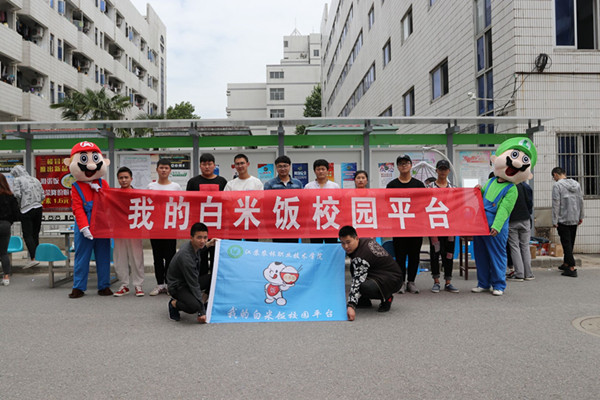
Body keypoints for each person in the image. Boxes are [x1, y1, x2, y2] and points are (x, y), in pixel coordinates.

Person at [472, 138, 537, 296]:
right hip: (480, 224)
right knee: (481, 255)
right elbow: (483, 196)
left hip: (495, 226)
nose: (516, 163)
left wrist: (497, 225)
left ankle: (499, 285)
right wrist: (479, 189)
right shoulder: (491, 181)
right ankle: (483, 283)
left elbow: (505, 209)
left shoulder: (511, 188)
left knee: (497, 255)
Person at [339, 225, 403, 321]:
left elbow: (357, 281)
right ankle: (365, 300)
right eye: (343, 243)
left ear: (356, 238)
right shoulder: (364, 242)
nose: (346, 246)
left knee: (362, 285)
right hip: (383, 274)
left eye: (348, 242)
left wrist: (351, 306)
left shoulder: (361, 255)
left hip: (393, 280)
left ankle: (387, 298)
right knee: (354, 267)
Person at [386, 154, 425, 294]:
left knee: (414, 255)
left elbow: (424, 205)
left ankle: (411, 282)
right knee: (400, 256)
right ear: (397, 167)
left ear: (411, 165)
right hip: (398, 226)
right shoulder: (391, 186)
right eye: (401, 163)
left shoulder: (419, 185)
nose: (404, 166)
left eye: (406, 163)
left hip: (416, 227)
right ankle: (401, 282)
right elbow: (386, 205)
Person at [166, 222, 216, 323]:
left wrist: (209, 244)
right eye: (199, 238)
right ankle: (174, 304)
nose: (202, 241)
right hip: (177, 286)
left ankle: (202, 301)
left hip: (188, 281)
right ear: (191, 238)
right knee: (194, 307)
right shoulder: (186, 257)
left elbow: (200, 249)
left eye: (205, 237)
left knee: (214, 277)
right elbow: (194, 285)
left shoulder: (193, 246)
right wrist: (202, 312)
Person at [147, 159, 182, 296]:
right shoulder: (151, 186)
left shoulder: (176, 187)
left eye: (166, 168)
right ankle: (159, 284)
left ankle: (169, 284)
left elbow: (180, 205)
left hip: (170, 226)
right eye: (161, 167)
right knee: (157, 257)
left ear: (170, 170)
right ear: (157, 169)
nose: (163, 170)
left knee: (170, 256)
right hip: (155, 226)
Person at [426, 160, 458, 293]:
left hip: (450, 226)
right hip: (434, 225)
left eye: (445, 169)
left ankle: (448, 281)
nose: (443, 171)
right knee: (435, 253)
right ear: (436, 170)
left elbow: (458, 206)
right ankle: (436, 281)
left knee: (449, 253)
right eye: (440, 169)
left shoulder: (454, 189)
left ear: (448, 171)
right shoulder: (428, 188)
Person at [113, 167, 145, 297]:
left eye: (126, 177)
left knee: (137, 258)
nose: (124, 180)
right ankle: (124, 284)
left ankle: (138, 285)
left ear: (131, 178)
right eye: (121, 178)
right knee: (120, 258)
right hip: (119, 230)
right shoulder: (114, 195)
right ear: (118, 179)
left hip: (134, 230)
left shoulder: (138, 194)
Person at [552, 167, 584, 278]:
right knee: (570, 242)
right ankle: (566, 263)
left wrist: (554, 220)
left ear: (555, 175)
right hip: (574, 218)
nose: (554, 179)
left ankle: (571, 268)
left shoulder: (557, 186)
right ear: (564, 173)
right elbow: (581, 201)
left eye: (554, 177)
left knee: (566, 243)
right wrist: (581, 216)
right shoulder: (576, 184)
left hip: (563, 219)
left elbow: (556, 203)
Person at [10, 165, 44, 268]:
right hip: (38, 207)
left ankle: (33, 258)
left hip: (26, 209)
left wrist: (19, 205)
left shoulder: (17, 180)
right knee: (35, 234)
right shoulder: (35, 180)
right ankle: (37, 257)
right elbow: (43, 195)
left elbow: (17, 195)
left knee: (27, 235)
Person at [264, 155, 303, 243]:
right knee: (279, 247)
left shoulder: (298, 183)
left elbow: (302, 203)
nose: (283, 169)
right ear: (276, 168)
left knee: (293, 246)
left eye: (285, 166)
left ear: (289, 166)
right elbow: (267, 205)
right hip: (277, 222)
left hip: (293, 221)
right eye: (280, 166)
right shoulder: (270, 184)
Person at [305, 159, 340, 244]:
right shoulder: (308, 186)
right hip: (315, 222)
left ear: (327, 170)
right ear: (314, 171)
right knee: (316, 246)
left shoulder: (335, 186)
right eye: (318, 169)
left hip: (330, 221)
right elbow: (305, 204)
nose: (321, 171)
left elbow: (339, 203)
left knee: (331, 246)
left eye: (323, 169)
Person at [506, 182, 534, 282]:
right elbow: (530, 203)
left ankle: (519, 274)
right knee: (525, 246)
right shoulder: (525, 186)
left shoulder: (507, 186)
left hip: (512, 220)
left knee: (514, 247)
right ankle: (528, 274)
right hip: (525, 219)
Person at [0, 174, 20, 286]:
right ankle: (6, 277)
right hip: (5, 225)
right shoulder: (10, 196)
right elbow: (16, 214)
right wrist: (9, 222)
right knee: (3, 253)